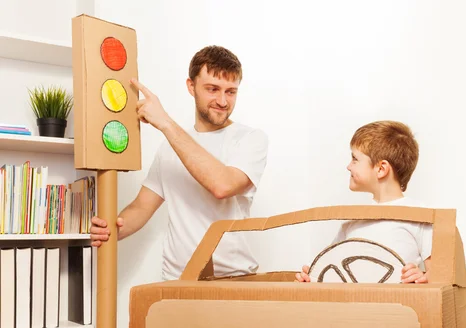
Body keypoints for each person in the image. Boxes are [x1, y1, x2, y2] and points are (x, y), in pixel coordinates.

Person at [91, 45, 269, 280]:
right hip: (177, 281)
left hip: (234, 280)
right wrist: (110, 230)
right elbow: (141, 208)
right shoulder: (169, 148)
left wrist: (164, 122)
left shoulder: (250, 139)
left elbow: (222, 185)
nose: (223, 101)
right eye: (213, 89)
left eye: (231, 91)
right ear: (191, 86)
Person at [295, 120, 431, 284]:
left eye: (355, 159)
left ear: (381, 169)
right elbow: (328, 267)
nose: (348, 166)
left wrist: (421, 276)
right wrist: (309, 278)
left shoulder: (419, 215)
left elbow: (441, 272)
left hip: (394, 307)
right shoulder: (354, 219)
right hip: (355, 308)